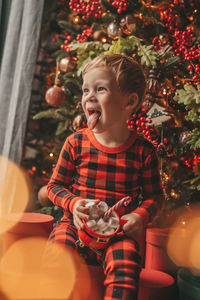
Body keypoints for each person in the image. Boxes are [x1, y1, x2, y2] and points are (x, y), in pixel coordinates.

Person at [47, 54, 164, 300]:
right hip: (74, 225)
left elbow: (155, 197)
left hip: (117, 232)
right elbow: (55, 186)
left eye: (100, 89)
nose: (89, 96)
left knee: (126, 266)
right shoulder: (75, 143)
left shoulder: (143, 151)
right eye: (86, 90)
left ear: (129, 101)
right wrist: (74, 203)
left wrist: (139, 216)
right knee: (57, 255)